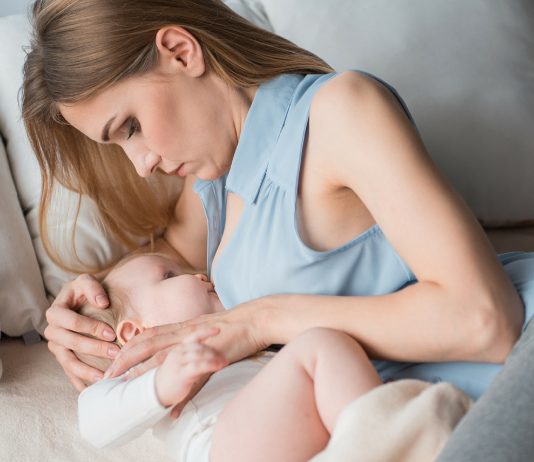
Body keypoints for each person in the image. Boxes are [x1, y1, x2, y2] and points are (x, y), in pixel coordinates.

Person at [21, 0, 534, 459]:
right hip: (399, 418)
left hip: (507, 370)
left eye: (130, 127)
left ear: (180, 51)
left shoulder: (340, 112)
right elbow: (160, 265)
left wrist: (260, 321)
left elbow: (484, 321)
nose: (140, 165)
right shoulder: (217, 181)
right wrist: (86, 310)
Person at [76, 251, 382, 461]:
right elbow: (92, 423)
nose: (199, 275)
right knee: (321, 345)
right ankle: (394, 439)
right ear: (134, 333)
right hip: (224, 446)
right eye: (170, 275)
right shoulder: (139, 371)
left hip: (294, 439)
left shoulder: (244, 337)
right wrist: (161, 384)